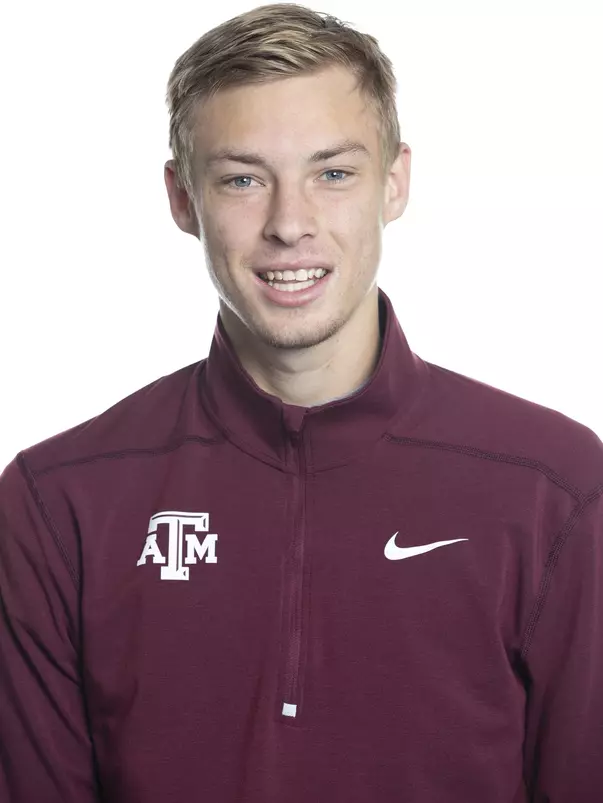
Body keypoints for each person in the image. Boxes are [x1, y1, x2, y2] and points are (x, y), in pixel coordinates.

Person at [1, 3, 602, 801]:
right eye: (243, 179)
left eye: (333, 173)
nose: (290, 223)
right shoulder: (57, 502)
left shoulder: (552, 489)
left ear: (393, 183)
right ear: (183, 200)